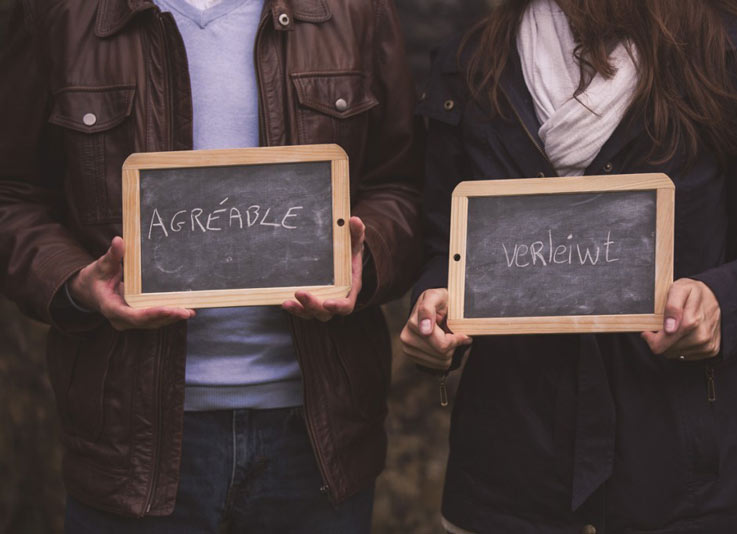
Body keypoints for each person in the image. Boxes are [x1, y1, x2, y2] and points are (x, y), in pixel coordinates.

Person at [0, 0, 421, 531]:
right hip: (132, 442)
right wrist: (76, 282)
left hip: (315, 439)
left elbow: (401, 185)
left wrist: (368, 255)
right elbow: (12, 194)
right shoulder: (60, 14)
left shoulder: (355, 10)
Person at [402, 0, 737, 532]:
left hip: (688, 483)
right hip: (510, 479)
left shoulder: (731, 55)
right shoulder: (472, 63)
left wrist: (723, 302)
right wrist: (436, 308)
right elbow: (444, 250)